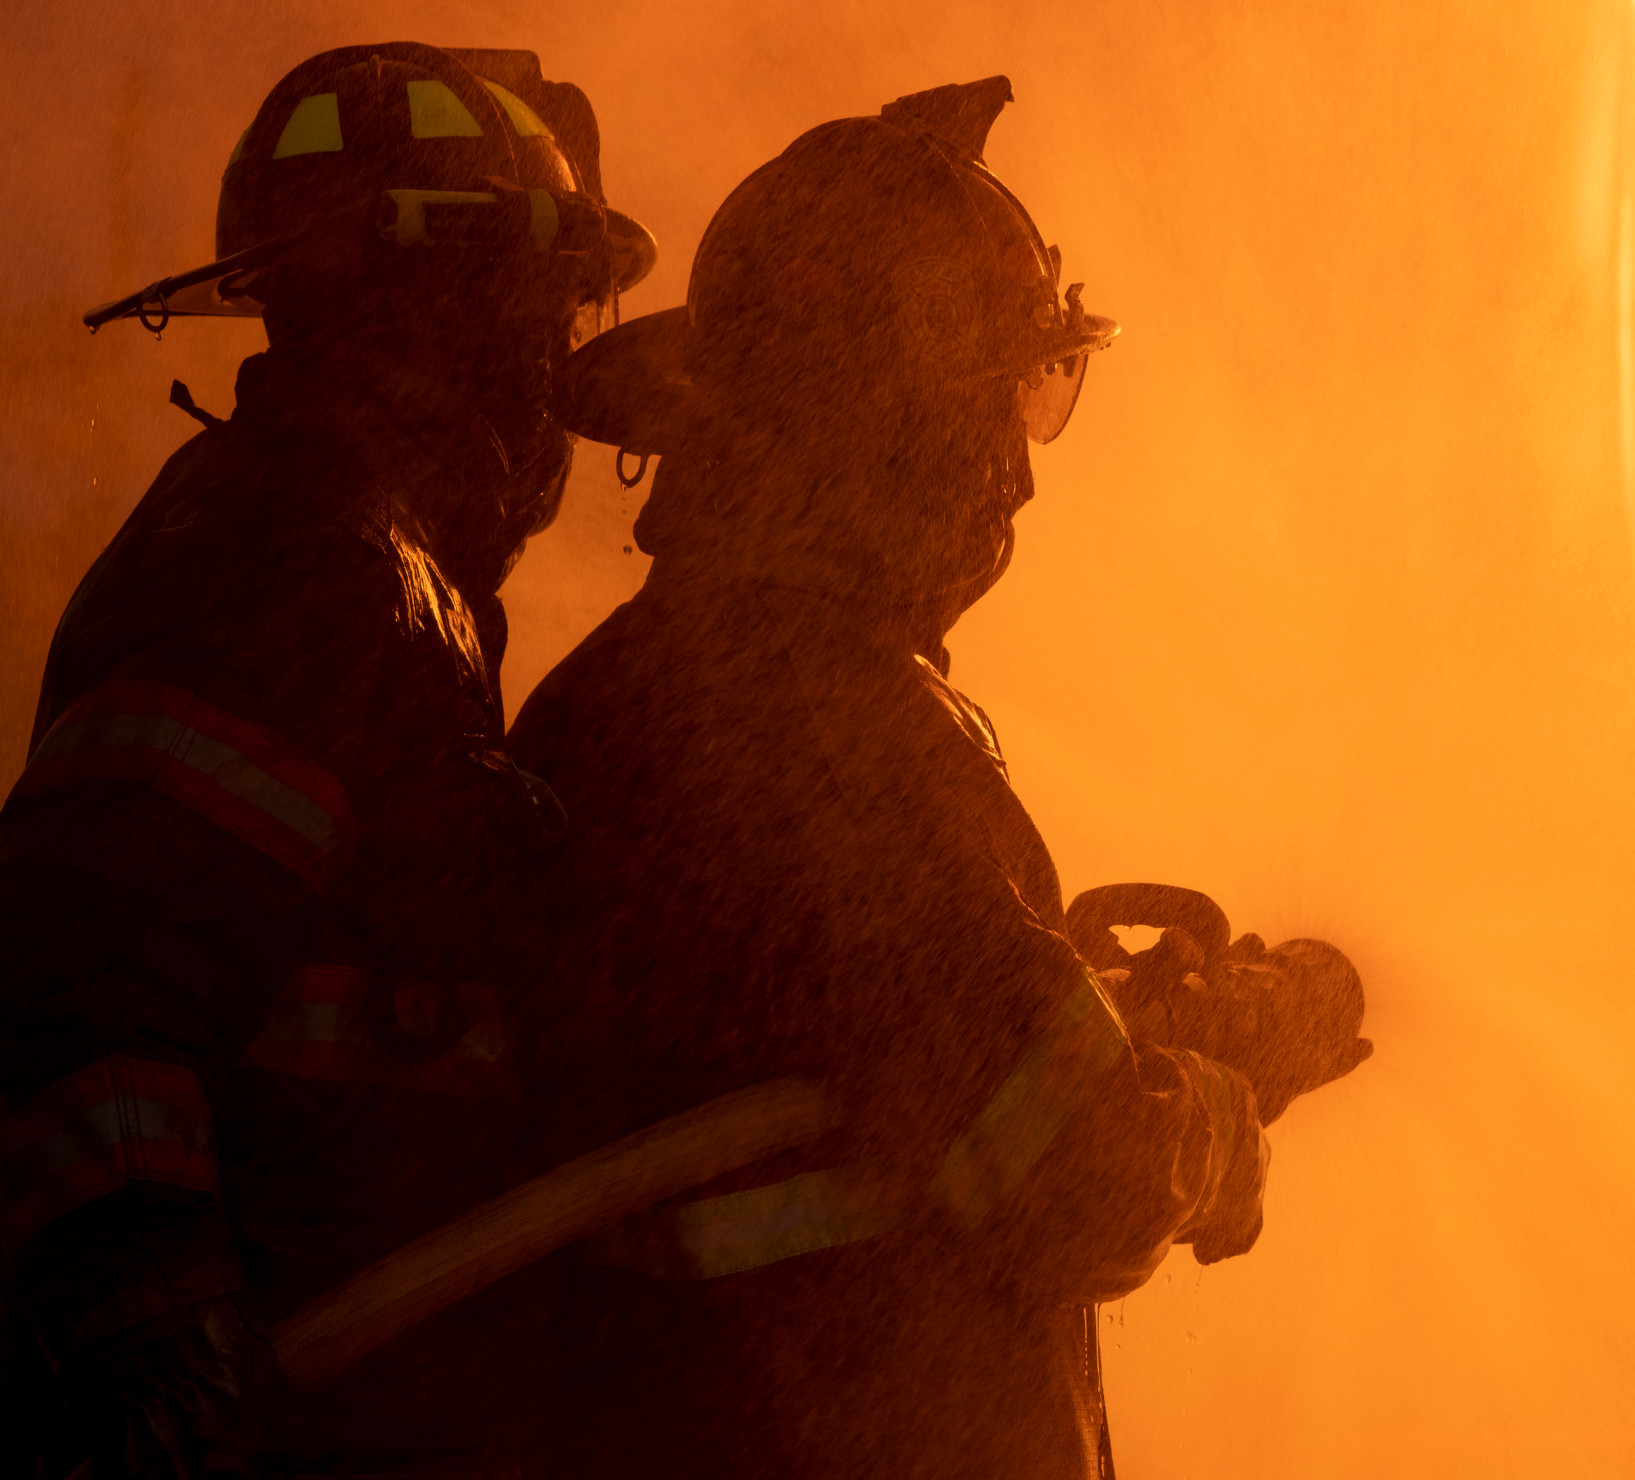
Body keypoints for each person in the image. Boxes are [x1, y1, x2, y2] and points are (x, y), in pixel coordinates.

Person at [508, 78, 1371, 1479]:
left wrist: (1110, 1015)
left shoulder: (617, 697)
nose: (1017, 482)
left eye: (1043, 395)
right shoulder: (832, 730)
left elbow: (890, 1063)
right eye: (996, 408)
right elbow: (1072, 1170)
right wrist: (1221, 1098)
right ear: (884, 425)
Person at [0, 43, 651, 1478]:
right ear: (450, 298)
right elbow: (82, 976)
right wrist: (158, 1346)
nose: (562, 362)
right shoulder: (298, 556)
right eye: (549, 302)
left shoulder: (371, 563)